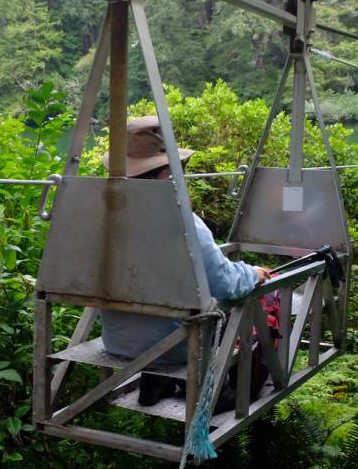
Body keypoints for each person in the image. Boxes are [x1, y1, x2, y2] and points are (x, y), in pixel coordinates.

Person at [98, 116, 269, 405]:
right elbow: (225, 284)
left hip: (117, 341)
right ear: (165, 171)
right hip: (176, 347)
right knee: (231, 311)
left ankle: (158, 383)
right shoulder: (184, 223)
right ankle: (220, 392)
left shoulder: (102, 220)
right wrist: (252, 273)